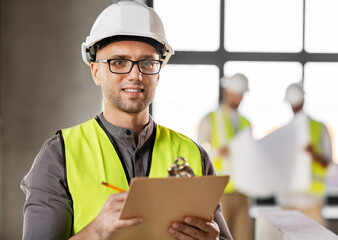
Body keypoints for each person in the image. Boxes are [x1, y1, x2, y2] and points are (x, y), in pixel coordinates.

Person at [20, 2, 232, 240]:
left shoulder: (193, 154)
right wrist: (95, 232)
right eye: (119, 62)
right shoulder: (60, 154)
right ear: (96, 72)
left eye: (147, 62)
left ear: (159, 73)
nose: (135, 75)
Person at [197, 73, 252, 240]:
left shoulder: (245, 122)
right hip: (221, 190)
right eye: (236, 94)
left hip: (244, 189)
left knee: (243, 235)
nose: (238, 98)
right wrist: (217, 153)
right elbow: (199, 153)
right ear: (226, 92)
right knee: (221, 237)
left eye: (241, 95)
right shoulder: (210, 119)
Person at [280, 82, 332, 225]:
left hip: (312, 202)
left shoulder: (319, 128)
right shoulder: (285, 132)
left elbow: (330, 166)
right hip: (289, 200)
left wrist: (314, 155)